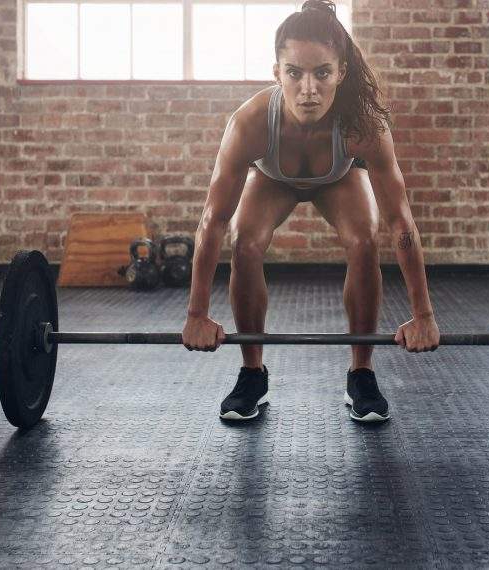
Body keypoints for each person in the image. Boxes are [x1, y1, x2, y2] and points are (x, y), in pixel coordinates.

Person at [181, 0, 440, 423]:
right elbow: (213, 220)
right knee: (244, 242)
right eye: (294, 73)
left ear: (340, 72)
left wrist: (424, 315)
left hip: (338, 178)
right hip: (273, 179)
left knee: (363, 240)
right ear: (276, 73)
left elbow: (401, 223)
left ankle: (362, 373)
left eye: (322, 73)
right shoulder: (249, 124)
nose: (308, 89)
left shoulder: (364, 126)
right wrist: (196, 314)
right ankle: (252, 373)